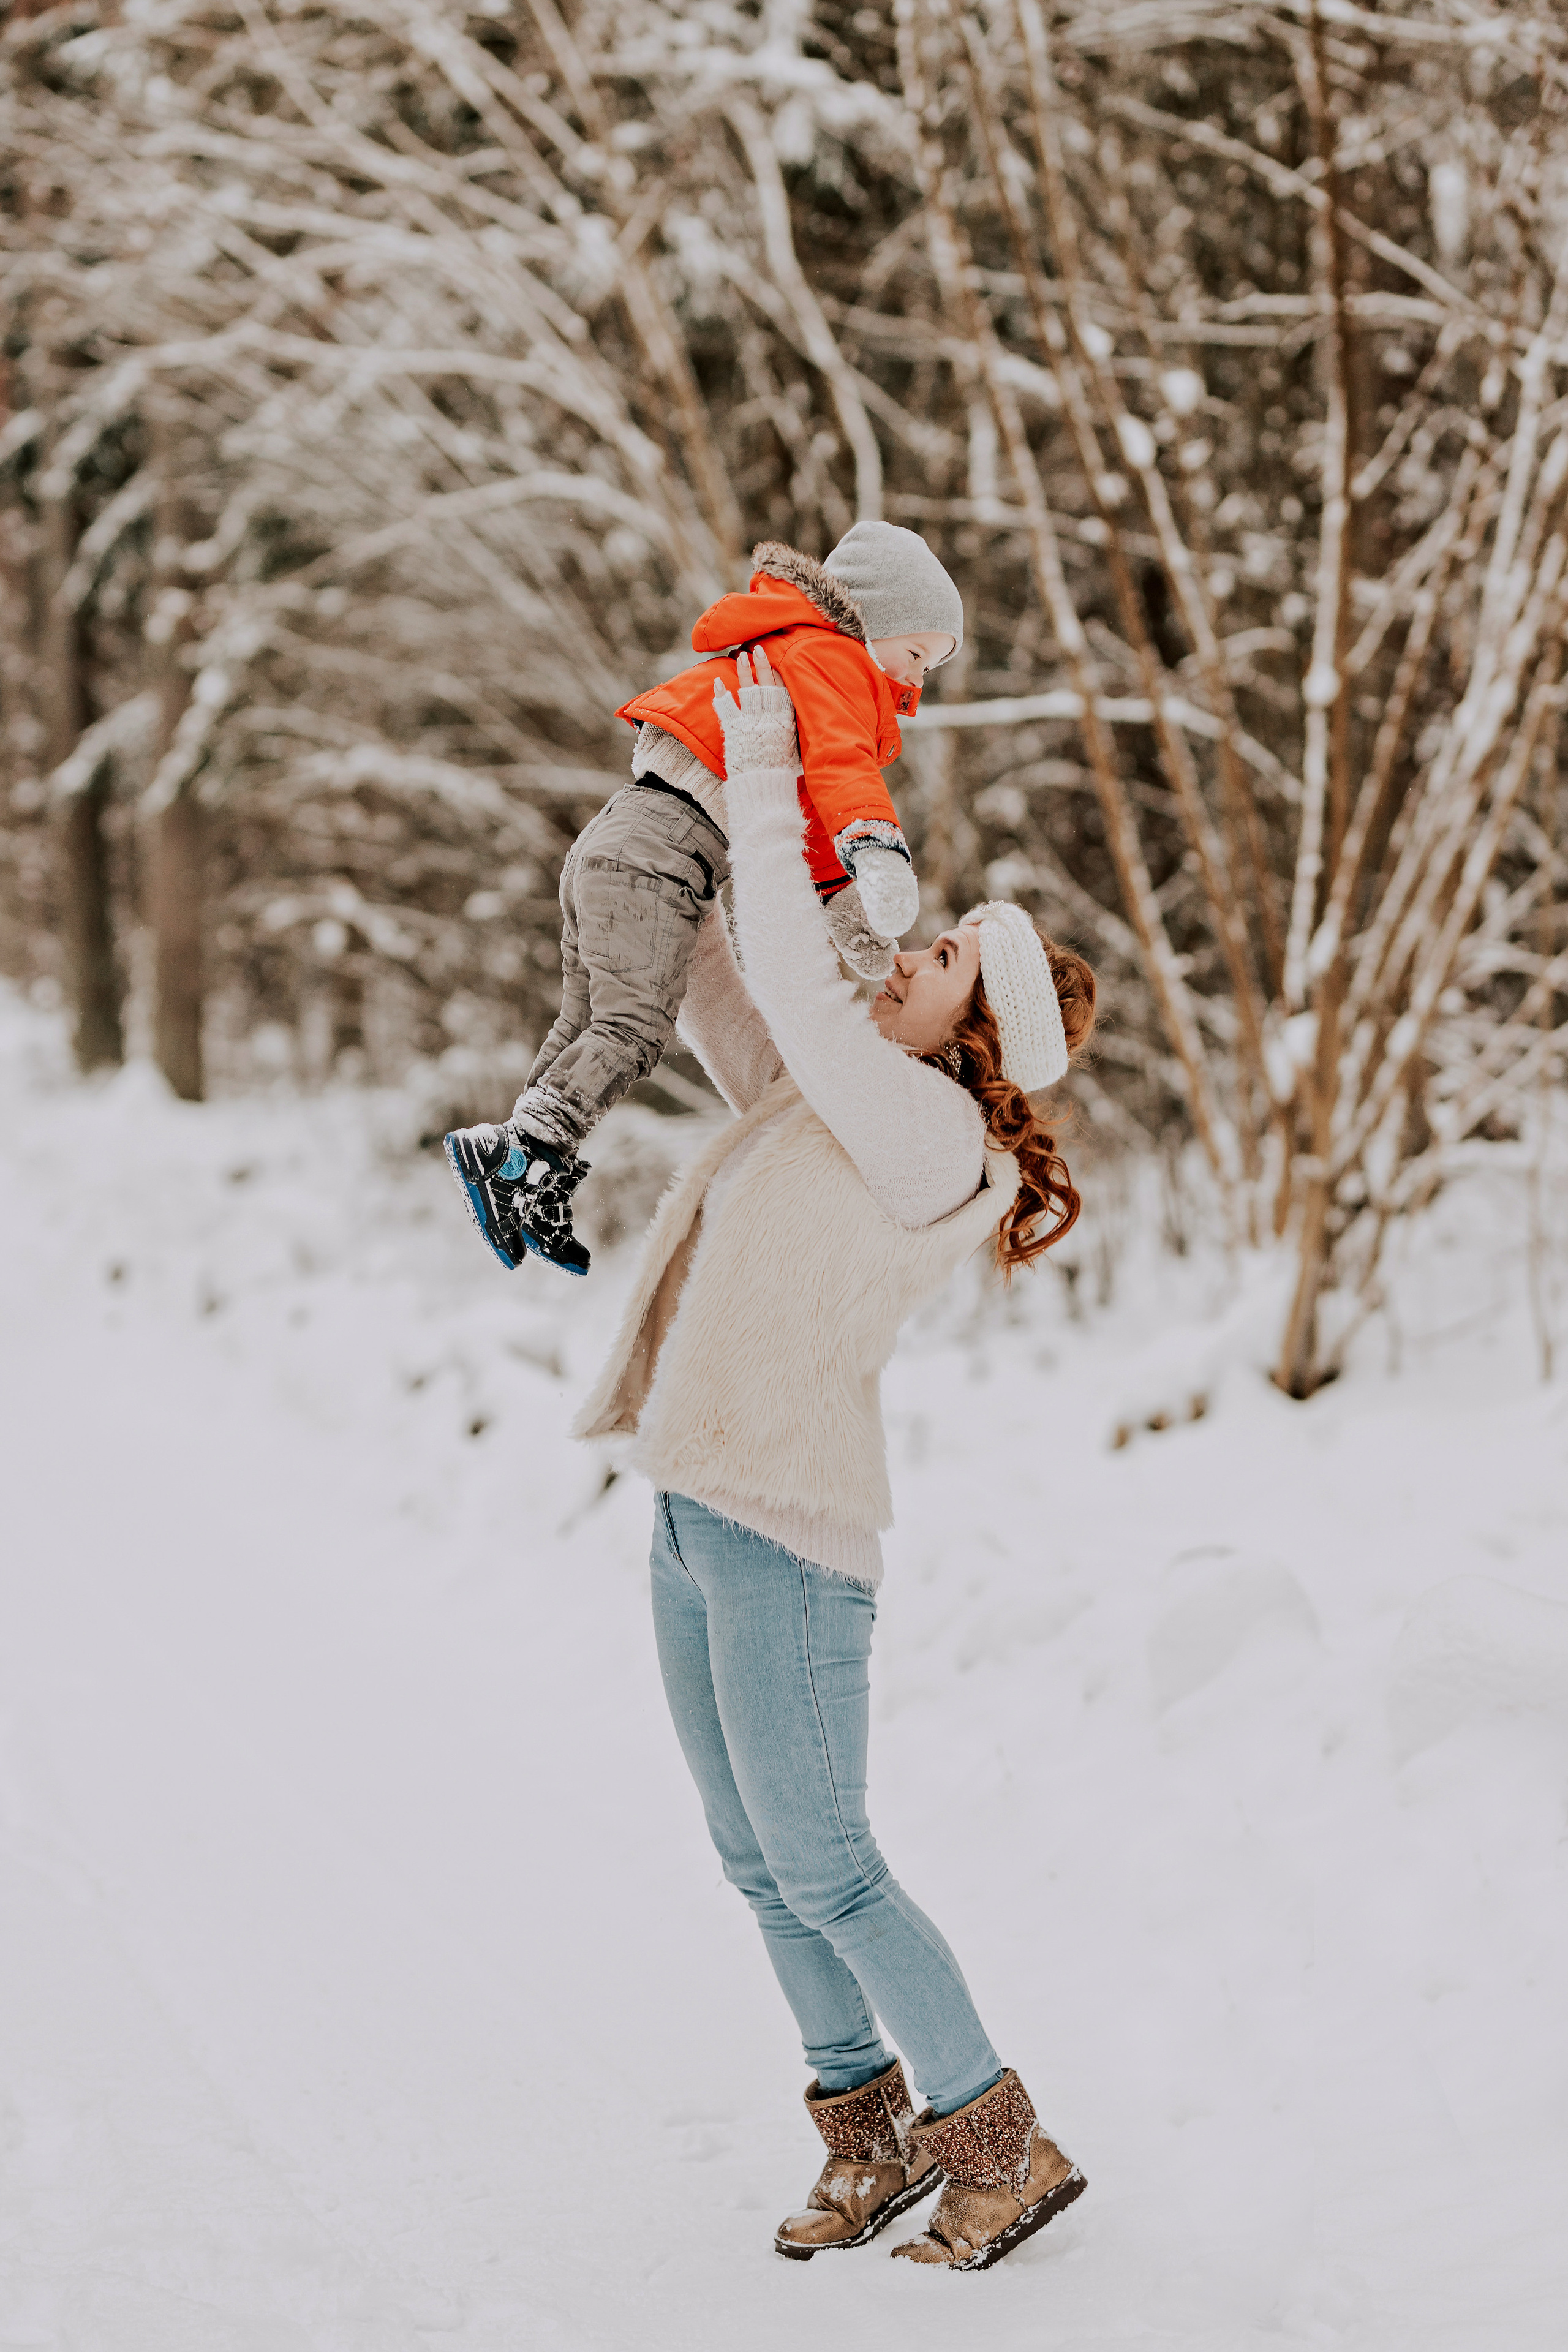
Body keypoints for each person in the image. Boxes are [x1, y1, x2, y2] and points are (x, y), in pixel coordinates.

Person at [573, 650, 1099, 2273]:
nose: (904, 956)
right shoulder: (844, 1099)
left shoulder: (932, 1136)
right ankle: (864, 2131)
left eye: (938, 956)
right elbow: (743, 988)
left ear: (977, 1032)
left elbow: (805, 990)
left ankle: (1002, 2147)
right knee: (752, 1859)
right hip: (690, 1503)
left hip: (788, 1539)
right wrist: (702, 821)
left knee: (827, 1862)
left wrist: (763, 756)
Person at [442, 523, 963, 1276]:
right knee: (635, 1023)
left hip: (619, 839)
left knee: (588, 1016)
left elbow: (805, 811)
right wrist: (875, 845)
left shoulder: (793, 657)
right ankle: (523, 1154)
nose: (917, 679)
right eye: (916, 653)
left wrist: (846, 913)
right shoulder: (833, 657)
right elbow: (842, 771)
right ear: (874, 619)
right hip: (663, 853)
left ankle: (532, 1170)